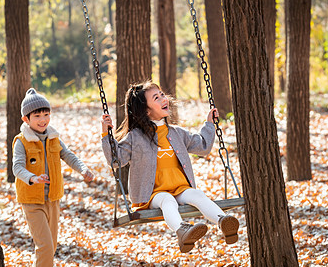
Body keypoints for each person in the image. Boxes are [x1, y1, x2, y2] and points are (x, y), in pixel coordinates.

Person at [101, 81, 239, 253]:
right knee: (167, 200)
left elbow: (202, 147)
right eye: (156, 98)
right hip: (151, 195)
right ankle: (182, 230)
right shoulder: (135, 137)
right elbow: (116, 160)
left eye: (162, 95)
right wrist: (107, 135)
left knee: (197, 194)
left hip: (180, 188)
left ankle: (223, 222)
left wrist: (209, 125)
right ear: (147, 110)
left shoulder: (176, 133)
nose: (163, 99)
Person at [13, 88, 94, 267]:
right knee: (45, 246)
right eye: (37, 116)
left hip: (53, 198)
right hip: (32, 200)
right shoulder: (21, 141)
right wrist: (32, 178)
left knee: (50, 246)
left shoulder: (53, 137)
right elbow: (17, 167)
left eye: (46, 114)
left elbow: (68, 155)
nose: (43, 120)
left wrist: (83, 169)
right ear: (26, 118)